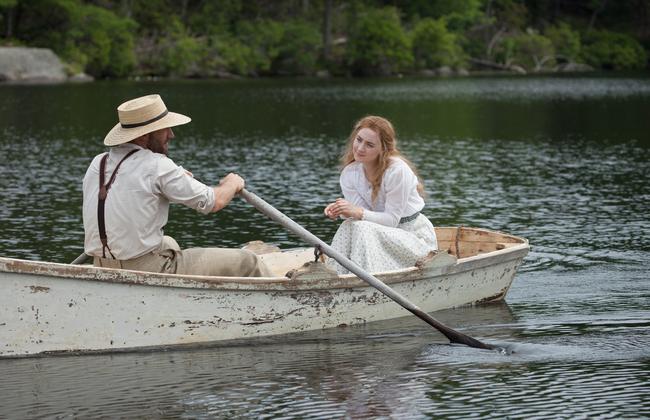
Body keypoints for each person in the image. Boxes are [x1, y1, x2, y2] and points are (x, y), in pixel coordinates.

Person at [82, 94, 272, 277]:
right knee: (248, 261)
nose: (171, 135)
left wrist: (174, 180)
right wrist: (233, 183)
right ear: (145, 135)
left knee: (168, 242)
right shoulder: (157, 165)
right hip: (147, 269)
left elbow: (134, 191)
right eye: (164, 129)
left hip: (102, 264)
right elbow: (213, 202)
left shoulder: (98, 163)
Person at [324, 116, 438, 274]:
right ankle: (335, 276)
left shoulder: (397, 171)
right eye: (359, 140)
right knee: (349, 224)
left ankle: (363, 283)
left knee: (361, 227)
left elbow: (390, 220)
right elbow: (362, 217)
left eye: (369, 144)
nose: (360, 148)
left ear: (383, 149)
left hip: (412, 238)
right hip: (374, 235)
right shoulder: (349, 174)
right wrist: (342, 209)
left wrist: (357, 212)